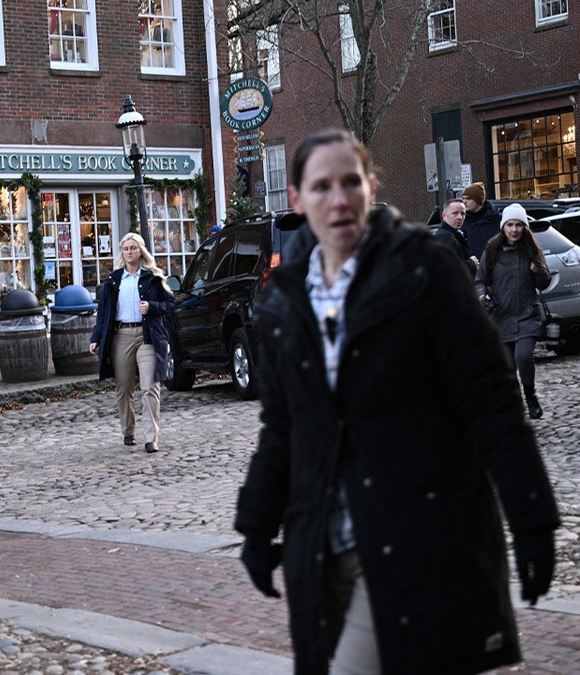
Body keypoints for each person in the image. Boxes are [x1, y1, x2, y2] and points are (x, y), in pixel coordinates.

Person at [234, 129, 559, 674]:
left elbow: (491, 396)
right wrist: (257, 525)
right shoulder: (285, 298)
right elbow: (284, 426)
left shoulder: (422, 268)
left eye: (349, 183)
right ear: (296, 200)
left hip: (414, 532)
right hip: (321, 544)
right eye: (320, 187)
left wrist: (531, 519)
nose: (337, 200)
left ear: (371, 186)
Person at [88, 232, 174, 454]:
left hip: (147, 336)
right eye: (126, 249)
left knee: (150, 387)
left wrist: (152, 307)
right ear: (122, 253)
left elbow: (170, 304)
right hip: (121, 335)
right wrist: (96, 338)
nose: (129, 252)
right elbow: (104, 312)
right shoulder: (114, 280)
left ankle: (151, 438)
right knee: (123, 387)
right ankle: (128, 431)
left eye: (133, 248)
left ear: (141, 251)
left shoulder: (153, 278)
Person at [476, 203, 551, 420]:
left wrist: (538, 272)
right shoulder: (491, 251)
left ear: (524, 227)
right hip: (500, 317)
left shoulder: (532, 251)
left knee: (524, 356)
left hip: (527, 314)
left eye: (519, 225)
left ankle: (531, 397)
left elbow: (544, 284)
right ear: (503, 227)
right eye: (510, 225)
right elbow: (480, 281)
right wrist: (483, 297)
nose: (514, 229)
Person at [432, 197, 478, 276]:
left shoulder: (454, 234)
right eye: (455, 213)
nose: (460, 217)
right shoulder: (446, 236)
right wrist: (471, 264)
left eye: (463, 214)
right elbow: (447, 266)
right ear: (444, 215)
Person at [461, 182, 501, 262]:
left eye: (468, 198)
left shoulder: (497, 219)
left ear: (478, 200)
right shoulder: (461, 220)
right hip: (470, 269)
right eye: (463, 198)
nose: (464, 201)